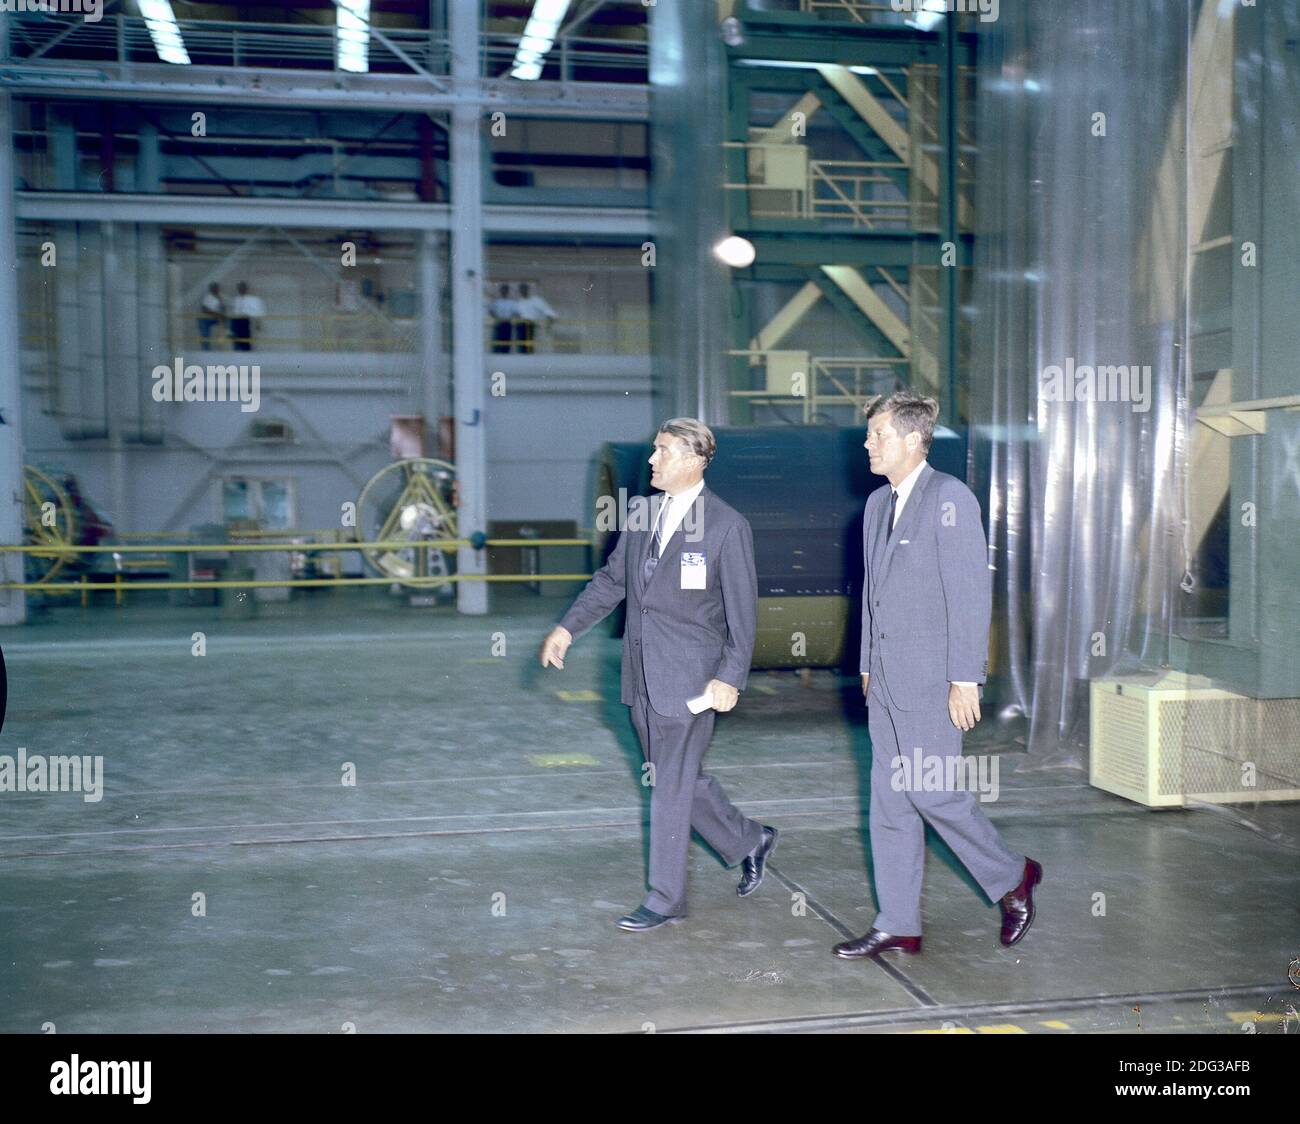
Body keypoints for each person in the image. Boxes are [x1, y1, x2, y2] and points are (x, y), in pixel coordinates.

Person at [539, 418, 777, 931]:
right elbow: (612, 581)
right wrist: (567, 628)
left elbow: (743, 612)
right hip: (641, 671)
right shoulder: (643, 511)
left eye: (662, 451)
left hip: (692, 678)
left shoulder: (726, 525)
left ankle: (666, 898)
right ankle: (748, 839)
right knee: (674, 778)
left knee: (668, 788)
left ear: (692, 461)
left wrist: (730, 677)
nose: (652, 460)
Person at [834, 391, 1041, 961]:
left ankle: (1014, 877)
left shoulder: (950, 497)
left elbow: (969, 594)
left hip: (932, 681)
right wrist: (868, 666)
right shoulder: (877, 505)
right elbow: (873, 596)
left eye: (877, 434)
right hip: (887, 683)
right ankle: (899, 922)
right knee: (890, 803)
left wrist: (965, 678)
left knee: (933, 792)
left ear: (911, 438)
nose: (868, 443)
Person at [513, 282, 556, 354]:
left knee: (529, 345)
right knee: (521, 345)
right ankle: (522, 355)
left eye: (525, 289)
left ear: (528, 290)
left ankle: (529, 355)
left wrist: (550, 321)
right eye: (521, 290)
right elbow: (516, 314)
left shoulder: (536, 300)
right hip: (520, 325)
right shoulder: (518, 302)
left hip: (530, 325)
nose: (523, 291)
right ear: (520, 291)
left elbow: (548, 311)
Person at [230, 282, 265, 352]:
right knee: (237, 339)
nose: (241, 290)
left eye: (243, 288)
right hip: (237, 322)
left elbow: (259, 313)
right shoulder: (236, 300)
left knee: (246, 341)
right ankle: (238, 350)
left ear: (246, 289)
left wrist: (258, 323)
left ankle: (246, 351)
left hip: (248, 322)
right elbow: (234, 312)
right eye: (240, 288)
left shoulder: (253, 299)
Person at [488, 283, 517, 354]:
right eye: (503, 290)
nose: (504, 291)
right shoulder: (497, 302)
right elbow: (491, 311)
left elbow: (515, 312)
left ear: (508, 291)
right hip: (498, 322)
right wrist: (496, 317)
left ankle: (506, 353)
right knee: (497, 338)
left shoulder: (512, 302)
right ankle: (495, 353)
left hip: (507, 323)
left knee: (507, 340)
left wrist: (510, 317)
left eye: (506, 290)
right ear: (501, 291)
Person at [197, 282, 225, 351]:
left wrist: (221, 314)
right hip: (207, 318)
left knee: (226, 323)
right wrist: (217, 314)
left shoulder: (220, 298)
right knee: (205, 333)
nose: (216, 290)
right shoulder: (207, 297)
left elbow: (223, 309)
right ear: (211, 289)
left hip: (217, 318)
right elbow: (204, 310)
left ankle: (222, 344)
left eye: (217, 288)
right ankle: (205, 350)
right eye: (214, 288)